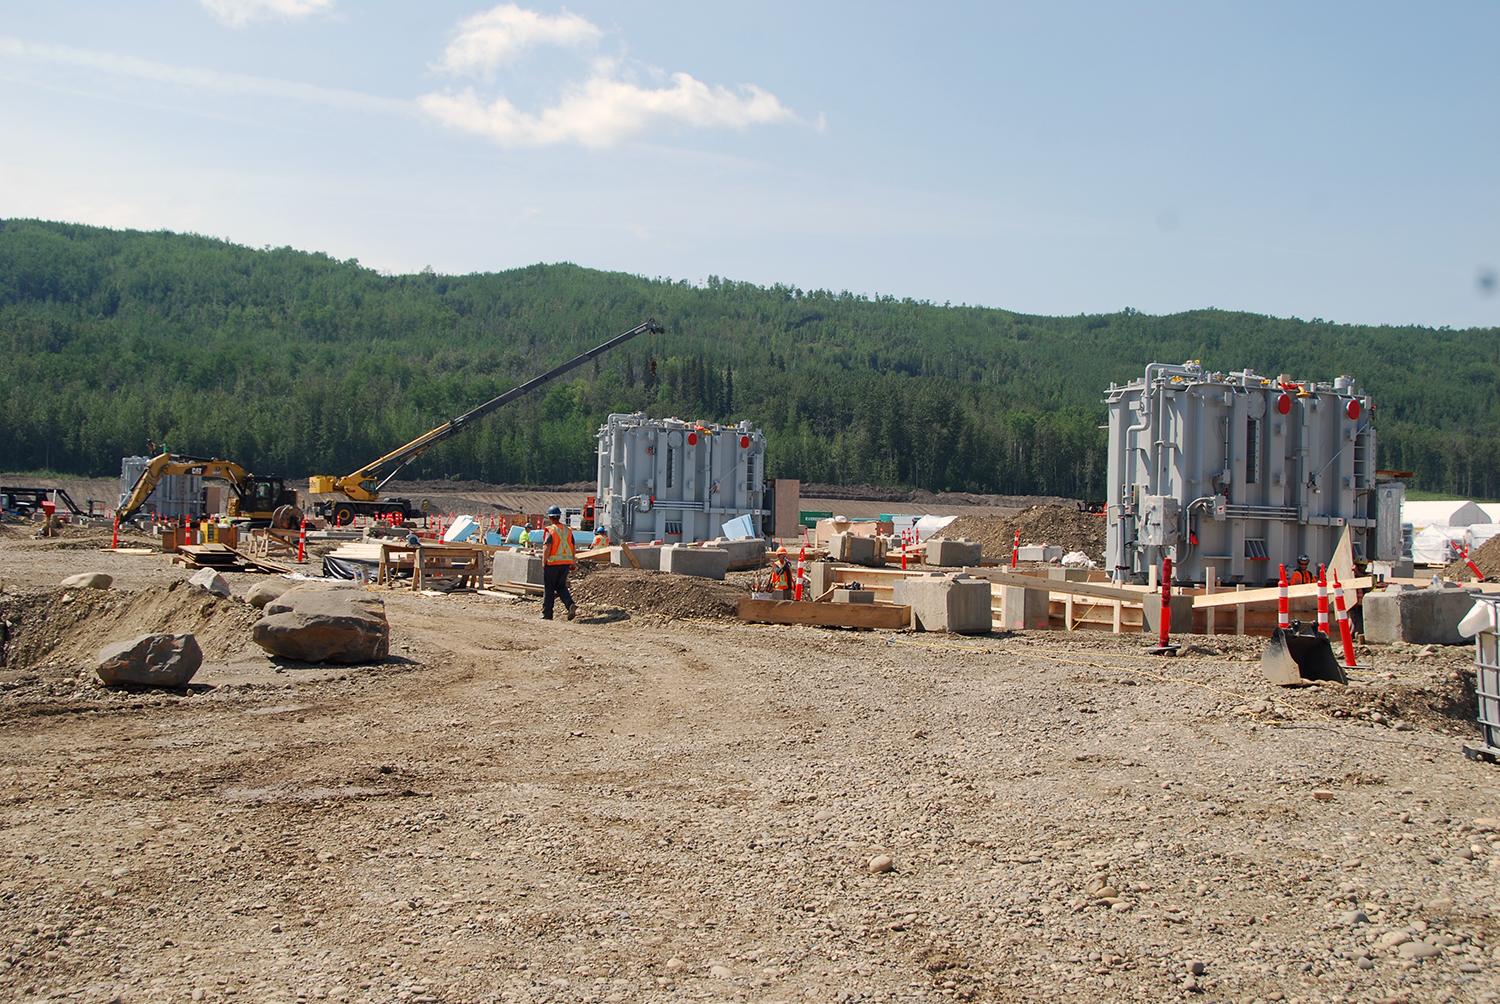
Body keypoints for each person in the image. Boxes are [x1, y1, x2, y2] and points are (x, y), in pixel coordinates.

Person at [541, 505, 578, 621]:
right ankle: (569, 604)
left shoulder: (550, 530)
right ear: (559, 517)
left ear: (550, 517)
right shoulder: (568, 530)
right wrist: (572, 561)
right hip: (565, 563)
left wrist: (544, 562)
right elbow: (573, 546)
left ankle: (547, 614)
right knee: (561, 586)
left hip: (552, 564)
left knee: (549, 588)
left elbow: (547, 547)